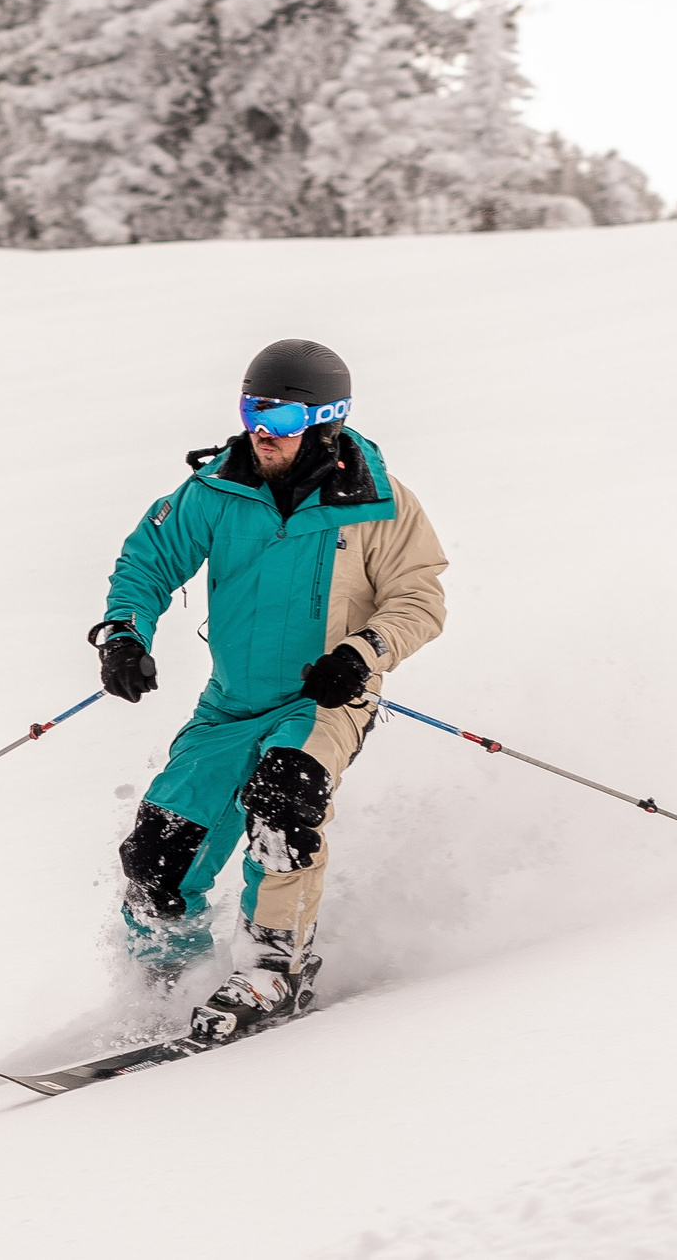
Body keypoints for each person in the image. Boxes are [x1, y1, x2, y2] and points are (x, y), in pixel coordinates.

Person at [90, 338, 448, 1042]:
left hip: (323, 702)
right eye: (254, 408)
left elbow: (419, 600)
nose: (262, 429)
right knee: (157, 858)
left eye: (282, 417)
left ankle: (273, 967)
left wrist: (362, 651)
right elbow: (148, 557)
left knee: (284, 799)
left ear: (327, 420)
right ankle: (167, 985)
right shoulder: (218, 489)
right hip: (229, 705)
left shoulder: (378, 502)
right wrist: (125, 633)